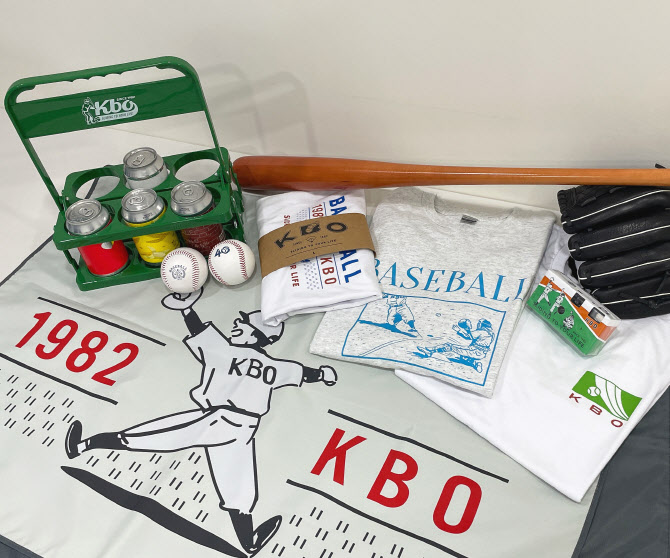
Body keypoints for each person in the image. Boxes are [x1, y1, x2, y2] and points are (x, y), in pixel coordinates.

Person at [64, 288, 337, 556]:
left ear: (255, 335)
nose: (236, 324)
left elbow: (199, 331)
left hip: (223, 422)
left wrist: (187, 309)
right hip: (235, 425)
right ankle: (249, 541)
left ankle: (250, 542)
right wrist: (323, 374)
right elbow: (304, 373)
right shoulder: (275, 366)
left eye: (243, 324)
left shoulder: (225, 351)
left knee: (160, 439)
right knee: (236, 482)